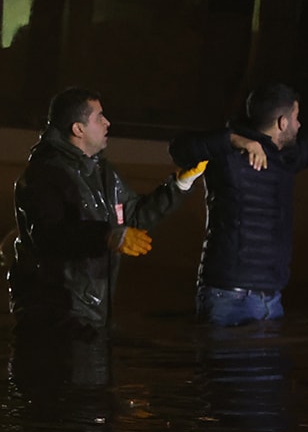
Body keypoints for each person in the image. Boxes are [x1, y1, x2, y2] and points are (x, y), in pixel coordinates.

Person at [8, 87, 205, 339]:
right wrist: (107, 235)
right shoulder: (44, 175)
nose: (107, 123)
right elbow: (47, 235)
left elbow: (132, 217)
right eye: (99, 117)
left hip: (91, 315)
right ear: (78, 129)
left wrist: (180, 185)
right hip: (54, 316)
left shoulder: (103, 173)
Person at [168, 83, 308, 327]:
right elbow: (179, 148)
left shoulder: (284, 160)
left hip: (269, 299)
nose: (299, 125)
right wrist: (236, 141)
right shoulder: (227, 155)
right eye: (296, 118)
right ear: (282, 122)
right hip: (229, 297)